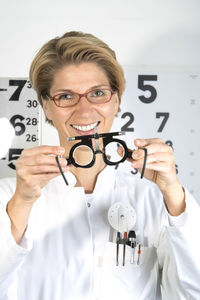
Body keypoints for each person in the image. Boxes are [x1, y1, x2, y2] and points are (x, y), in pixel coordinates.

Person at [0, 31, 200, 300]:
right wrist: (22, 203)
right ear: (47, 106)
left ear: (116, 100)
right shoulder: (8, 196)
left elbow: (191, 292)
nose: (84, 111)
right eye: (66, 96)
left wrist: (174, 195)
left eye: (98, 93)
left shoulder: (153, 197)